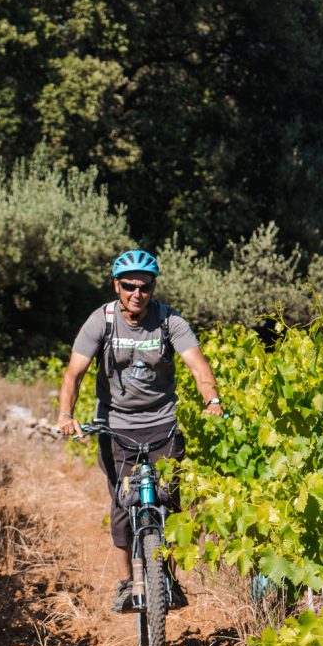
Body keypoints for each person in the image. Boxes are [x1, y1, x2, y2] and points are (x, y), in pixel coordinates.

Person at [57, 249, 224, 612]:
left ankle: (169, 582)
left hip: (163, 424)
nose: (137, 293)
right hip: (115, 426)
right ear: (117, 286)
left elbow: (198, 366)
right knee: (122, 502)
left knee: (169, 502)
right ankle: (124, 582)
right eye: (129, 286)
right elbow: (74, 373)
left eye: (144, 287)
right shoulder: (100, 321)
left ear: (153, 287)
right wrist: (65, 413)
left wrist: (211, 401)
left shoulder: (169, 321)